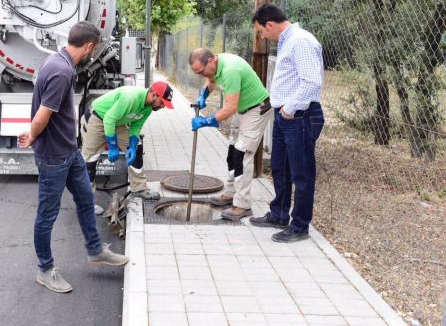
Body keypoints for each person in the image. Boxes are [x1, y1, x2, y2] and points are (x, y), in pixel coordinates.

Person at [18, 21, 129, 294]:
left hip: (69, 152)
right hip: (54, 156)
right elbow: (44, 114)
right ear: (89, 46)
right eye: (96, 48)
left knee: (85, 199)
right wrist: (33, 134)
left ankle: (95, 251)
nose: (95, 53)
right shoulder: (61, 72)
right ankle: (45, 270)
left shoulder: (57, 61)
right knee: (47, 215)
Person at [249, 4, 324, 243]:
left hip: (299, 116)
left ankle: (300, 225)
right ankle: (279, 214)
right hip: (285, 116)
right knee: (281, 168)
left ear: (269, 24)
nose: (263, 36)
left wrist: (290, 109)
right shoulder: (287, 41)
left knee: (301, 174)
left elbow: (311, 82)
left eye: (261, 31)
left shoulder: (300, 41)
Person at [189, 48, 272, 221]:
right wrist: (203, 95)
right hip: (243, 108)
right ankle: (230, 192)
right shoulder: (215, 67)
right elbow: (211, 82)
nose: (201, 75)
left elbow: (229, 108)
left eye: (202, 71)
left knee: (242, 154)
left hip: (256, 109)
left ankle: (242, 204)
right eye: (197, 73)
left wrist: (206, 121)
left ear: (211, 60)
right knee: (232, 151)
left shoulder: (230, 70)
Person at [81, 81, 174, 213]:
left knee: (137, 148)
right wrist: (112, 146)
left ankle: (139, 188)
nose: (163, 106)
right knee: (90, 160)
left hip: (117, 122)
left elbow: (136, 126)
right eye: (163, 102)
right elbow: (109, 119)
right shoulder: (131, 98)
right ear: (154, 94)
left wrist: (132, 146)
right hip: (97, 118)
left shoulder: (148, 107)